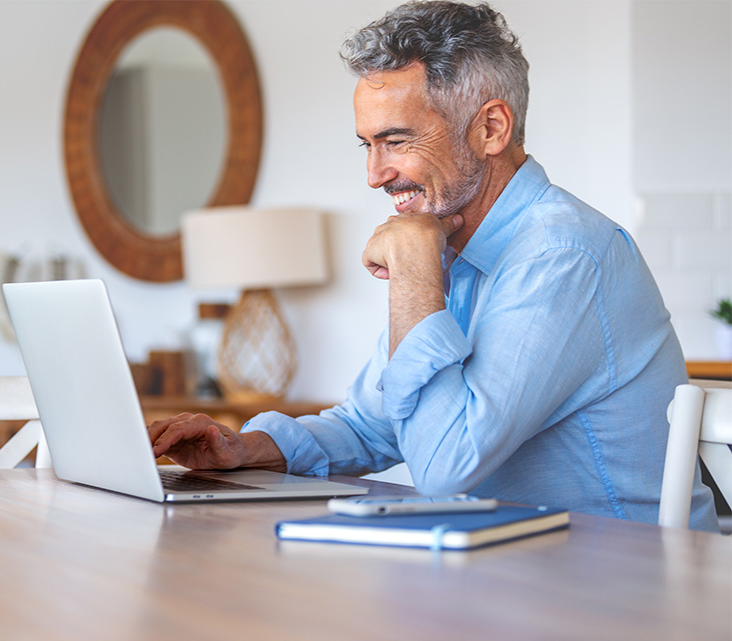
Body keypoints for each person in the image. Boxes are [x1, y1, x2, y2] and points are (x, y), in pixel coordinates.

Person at [149, 1, 718, 530]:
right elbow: (373, 422)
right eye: (366, 145)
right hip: (510, 571)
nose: (374, 174)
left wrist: (417, 273)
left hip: (623, 596)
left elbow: (447, 462)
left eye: (395, 141)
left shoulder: (561, 254)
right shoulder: (451, 246)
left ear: (491, 128)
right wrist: (243, 449)